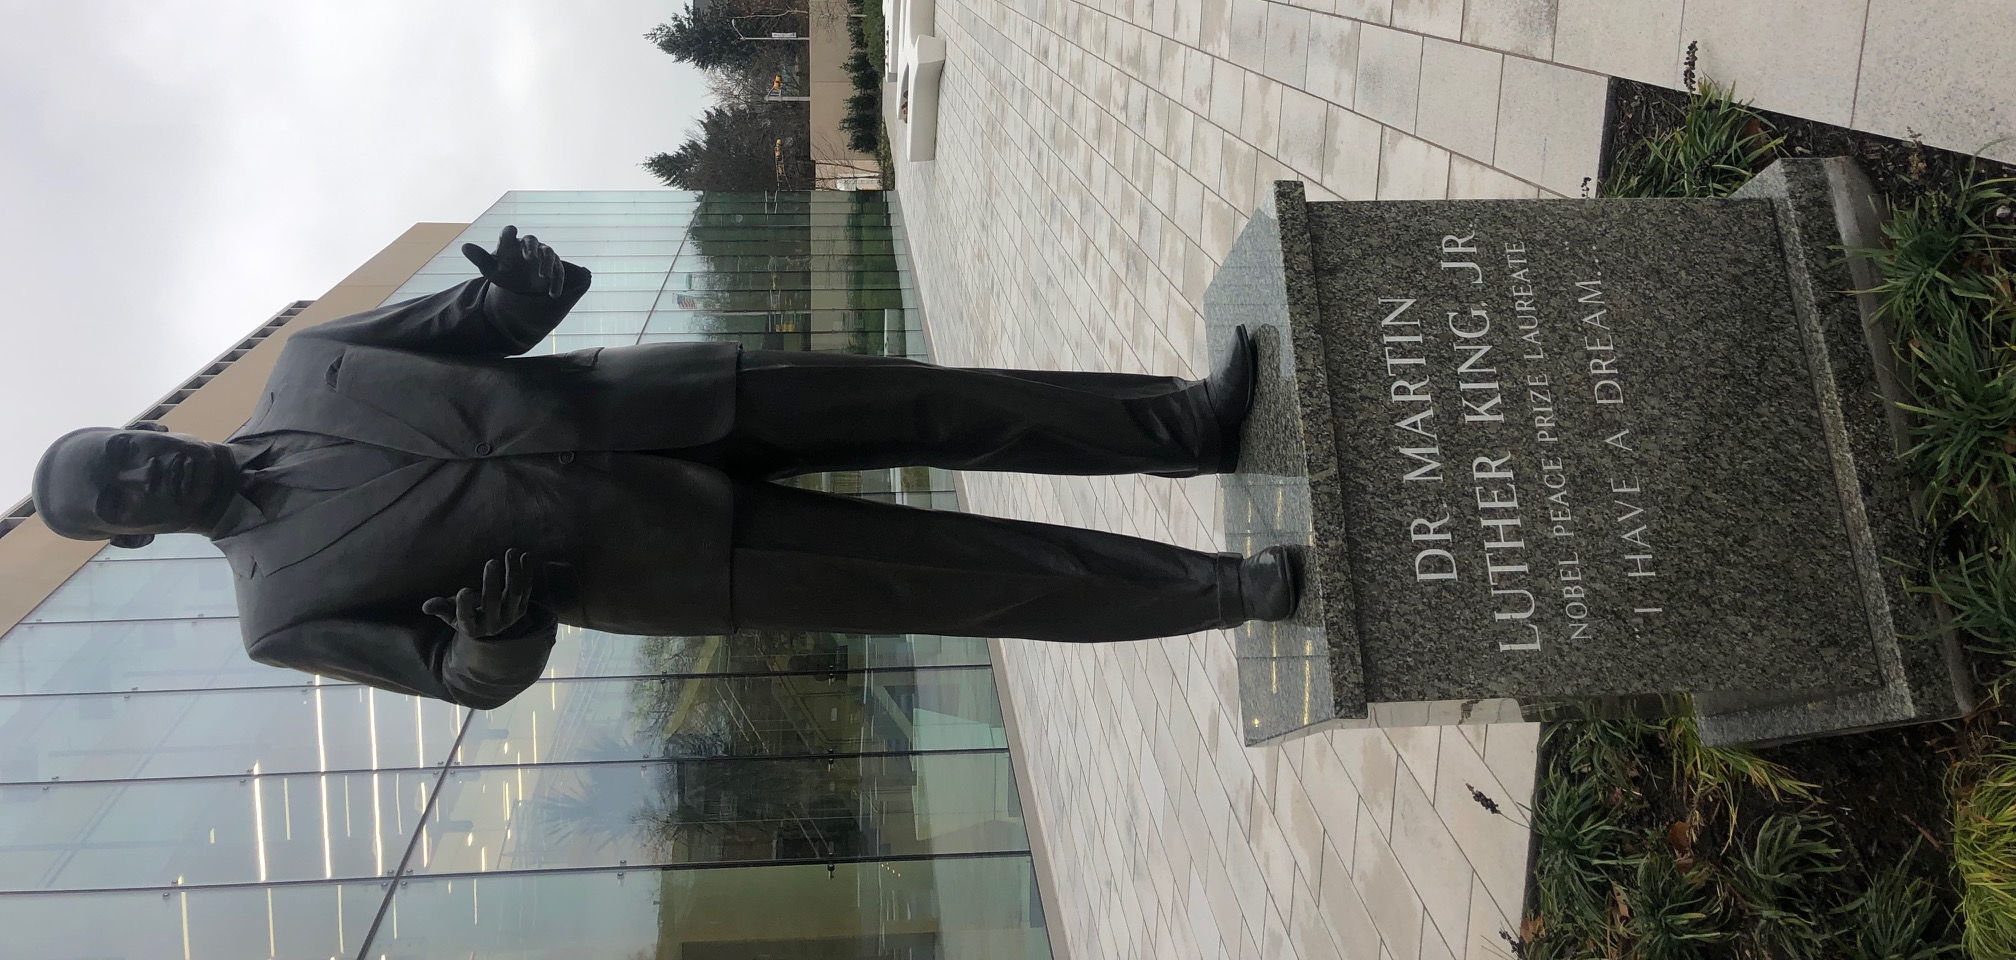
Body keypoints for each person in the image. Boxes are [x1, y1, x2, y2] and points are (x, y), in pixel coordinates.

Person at [32, 227, 1302, 709]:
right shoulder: (282, 613)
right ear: (130, 535)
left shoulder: (311, 363)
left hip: (674, 396)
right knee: (960, 575)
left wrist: (532, 289)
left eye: (131, 449)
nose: (147, 472)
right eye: (124, 493)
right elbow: (455, 677)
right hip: (661, 558)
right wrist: (499, 634)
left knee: (946, 402)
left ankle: (1184, 426)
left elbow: (479, 330)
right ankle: (1213, 591)